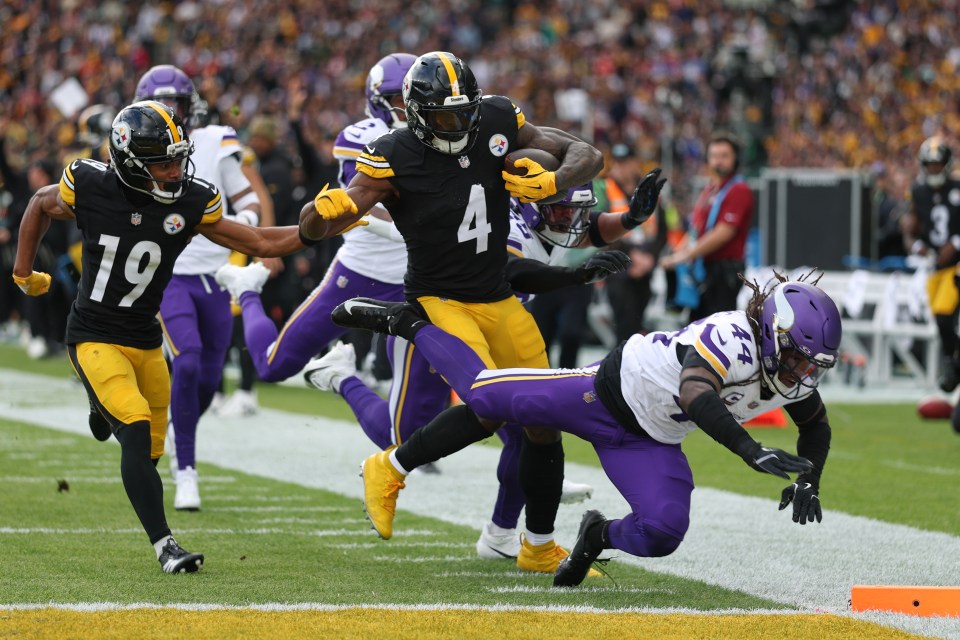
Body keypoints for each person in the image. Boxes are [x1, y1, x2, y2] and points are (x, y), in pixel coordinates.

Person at [298, 50, 606, 574]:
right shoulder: (393, 154)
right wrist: (315, 215)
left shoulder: (495, 116)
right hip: (439, 298)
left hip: (496, 293)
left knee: (542, 420)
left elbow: (586, 153)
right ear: (416, 114)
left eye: (463, 113)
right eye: (442, 116)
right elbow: (322, 224)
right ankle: (388, 467)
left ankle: (537, 545)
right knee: (489, 403)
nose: (456, 125)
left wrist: (553, 182)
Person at [329, 274, 840, 587]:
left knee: (662, 533)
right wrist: (749, 450)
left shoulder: (792, 377)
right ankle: (407, 323)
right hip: (604, 393)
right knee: (485, 397)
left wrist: (810, 478)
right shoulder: (732, 335)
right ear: (773, 332)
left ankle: (594, 534)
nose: (801, 373)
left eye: (811, 364)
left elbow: (816, 427)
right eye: (796, 357)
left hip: (650, 440)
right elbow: (695, 392)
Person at [12, 100, 306, 573]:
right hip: (93, 333)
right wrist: (24, 274)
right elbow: (37, 205)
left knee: (150, 450)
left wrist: (322, 225)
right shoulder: (90, 184)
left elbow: (260, 242)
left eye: (177, 158)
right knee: (134, 425)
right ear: (130, 163)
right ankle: (165, 545)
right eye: (163, 162)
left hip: (146, 338)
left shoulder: (191, 199)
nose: (175, 170)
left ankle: (100, 409)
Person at [304, 173, 663, 559]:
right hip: (447, 315)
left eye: (571, 212)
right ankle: (348, 384)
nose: (569, 222)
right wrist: (575, 275)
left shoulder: (545, 216)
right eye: (559, 211)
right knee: (416, 426)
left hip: (498, 318)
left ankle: (513, 538)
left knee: (536, 423)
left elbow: (585, 228)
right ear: (531, 205)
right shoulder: (505, 218)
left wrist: (630, 219)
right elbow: (512, 271)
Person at [133, 65, 263, 511]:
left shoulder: (214, 140)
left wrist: (232, 228)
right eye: (161, 105)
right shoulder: (133, 150)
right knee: (186, 362)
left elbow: (247, 200)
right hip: (169, 278)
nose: (170, 113)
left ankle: (177, 430)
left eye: (177, 105)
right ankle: (187, 470)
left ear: (192, 108)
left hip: (215, 278)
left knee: (209, 377)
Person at [660, 133, 754, 321]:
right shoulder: (710, 190)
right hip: (704, 268)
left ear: (735, 159)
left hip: (724, 270)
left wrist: (685, 255)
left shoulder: (739, 190)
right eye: (714, 156)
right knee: (697, 326)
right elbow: (696, 229)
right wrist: (678, 252)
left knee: (717, 328)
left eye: (724, 156)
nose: (718, 161)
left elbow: (723, 233)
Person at [901, 136, 960, 392]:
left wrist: (956, 243)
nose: (934, 169)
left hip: (957, 264)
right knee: (941, 321)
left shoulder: (957, 187)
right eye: (930, 164)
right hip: (936, 267)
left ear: (947, 164)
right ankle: (952, 367)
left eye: (938, 164)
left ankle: (952, 369)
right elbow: (909, 229)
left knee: (946, 317)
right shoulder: (918, 191)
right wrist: (916, 246)